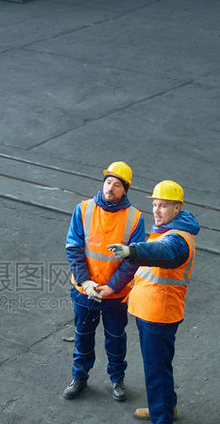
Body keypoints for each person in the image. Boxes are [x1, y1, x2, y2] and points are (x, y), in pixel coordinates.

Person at [107, 180, 199, 424]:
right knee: (160, 365)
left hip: (160, 314)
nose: (157, 210)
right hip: (152, 311)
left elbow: (161, 252)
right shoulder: (167, 229)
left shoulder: (177, 240)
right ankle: (166, 407)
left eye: (163, 205)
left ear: (177, 208)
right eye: (155, 205)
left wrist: (131, 251)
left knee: (156, 367)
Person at [63, 161, 146, 402]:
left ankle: (117, 379)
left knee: (116, 339)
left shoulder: (134, 218)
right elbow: (73, 247)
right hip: (85, 292)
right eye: (108, 182)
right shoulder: (84, 209)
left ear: (125, 190)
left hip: (114, 295)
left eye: (117, 184)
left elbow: (133, 259)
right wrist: (85, 281)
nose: (111, 187)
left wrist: (111, 287)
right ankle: (79, 377)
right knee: (83, 336)